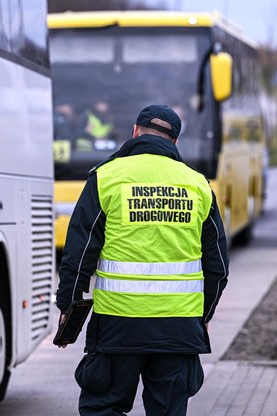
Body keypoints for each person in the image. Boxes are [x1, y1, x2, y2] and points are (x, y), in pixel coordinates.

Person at [56, 104, 229, 416]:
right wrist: (204, 314)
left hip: (118, 324)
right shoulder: (198, 185)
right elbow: (217, 264)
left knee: (103, 406)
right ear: (175, 142)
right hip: (179, 327)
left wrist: (68, 304)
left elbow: (80, 253)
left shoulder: (106, 178)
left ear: (134, 132)